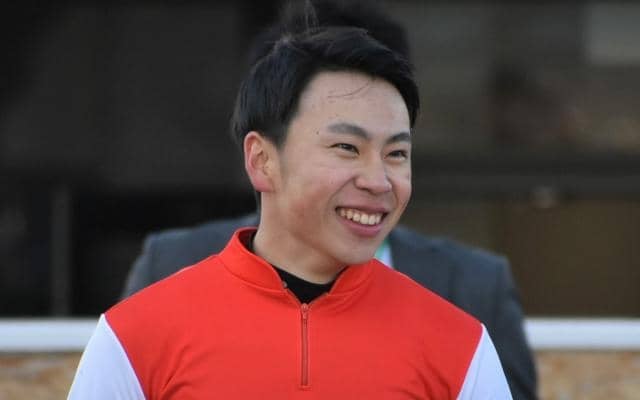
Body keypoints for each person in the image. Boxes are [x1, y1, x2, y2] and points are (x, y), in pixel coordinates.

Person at [68, 12, 513, 400]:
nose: (378, 181)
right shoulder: (135, 337)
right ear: (262, 160)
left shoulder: (460, 346)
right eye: (347, 147)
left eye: (396, 153)